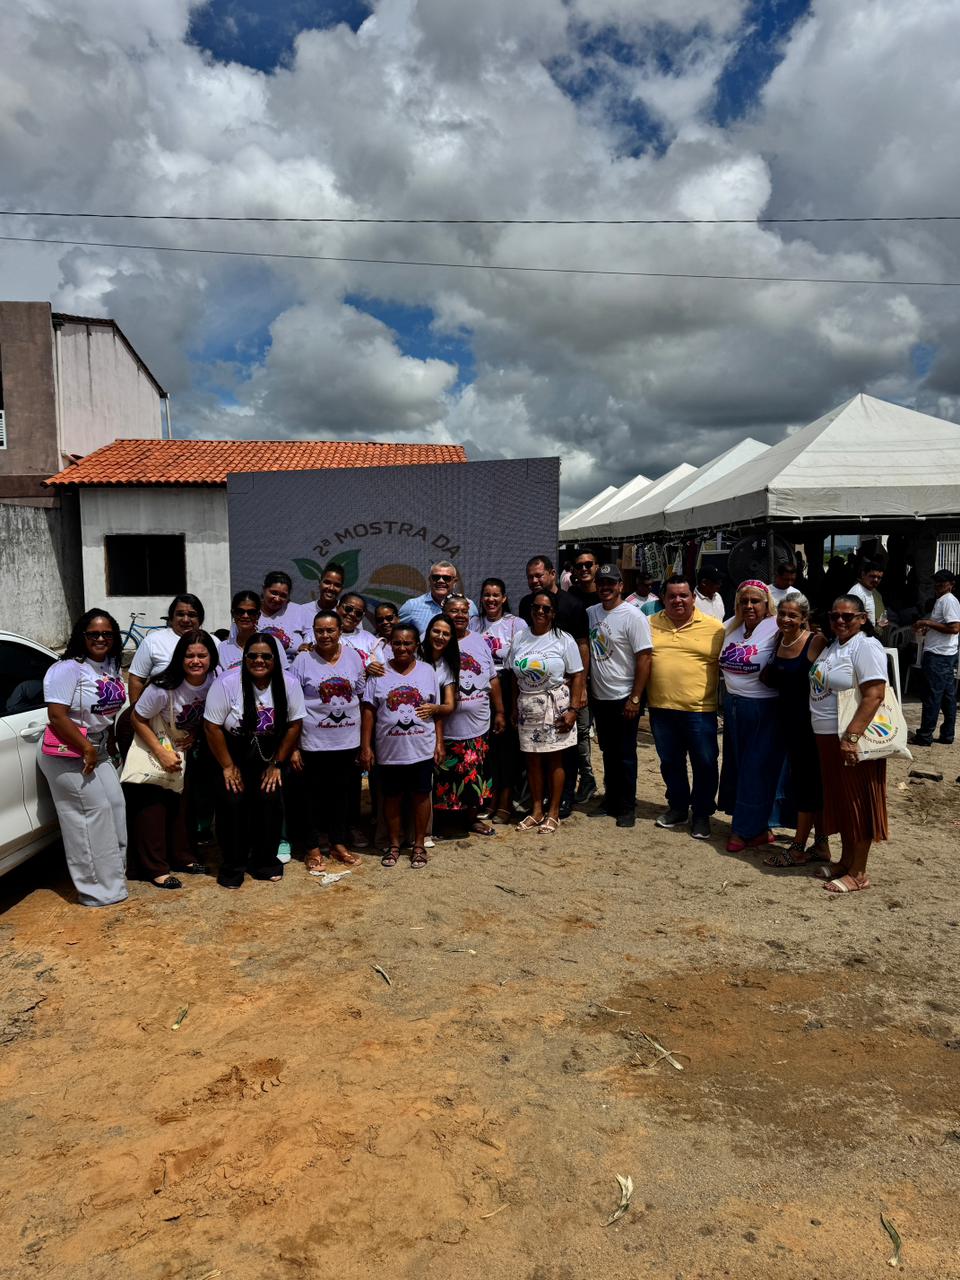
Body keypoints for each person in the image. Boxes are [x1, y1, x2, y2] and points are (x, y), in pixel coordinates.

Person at [38, 609, 128, 907]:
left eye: (107, 634)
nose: (101, 638)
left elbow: (105, 711)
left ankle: (114, 879)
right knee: (89, 818)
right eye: (94, 634)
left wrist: (108, 739)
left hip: (98, 748)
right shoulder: (67, 669)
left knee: (114, 806)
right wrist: (87, 747)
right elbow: (57, 716)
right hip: (70, 750)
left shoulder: (110, 665)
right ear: (82, 636)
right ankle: (95, 890)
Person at [204, 632, 305, 888]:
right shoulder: (227, 683)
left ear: (275, 659)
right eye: (253, 656)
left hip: (270, 755)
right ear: (244, 657)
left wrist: (277, 765)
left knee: (269, 803)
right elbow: (212, 726)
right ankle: (233, 865)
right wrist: (227, 766)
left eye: (266, 656)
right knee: (233, 804)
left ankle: (264, 861)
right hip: (233, 753)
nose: (259, 660)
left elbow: (294, 724)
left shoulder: (289, 683)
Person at [126, 629, 220, 888]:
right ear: (179, 657)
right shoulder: (162, 686)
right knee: (153, 807)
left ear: (212, 657)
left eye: (202, 655)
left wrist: (196, 732)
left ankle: (182, 856)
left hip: (186, 749)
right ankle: (154, 867)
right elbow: (137, 717)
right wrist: (161, 752)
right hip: (158, 746)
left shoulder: (215, 679)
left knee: (182, 806)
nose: (196, 661)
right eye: (189, 655)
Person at [808, 595, 889, 893]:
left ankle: (859, 872)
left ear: (863, 618)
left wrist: (851, 737)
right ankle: (845, 861)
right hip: (826, 735)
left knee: (858, 803)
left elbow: (875, 694)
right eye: (834, 616)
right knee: (841, 801)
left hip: (850, 738)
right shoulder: (833, 646)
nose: (840, 621)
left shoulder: (865, 646)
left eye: (848, 617)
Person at [360, 622, 444, 869]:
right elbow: (369, 712)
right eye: (397, 643)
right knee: (392, 798)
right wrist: (366, 746)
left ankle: (418, 844)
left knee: (420, 796)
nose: (402, 648)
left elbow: (436, 712)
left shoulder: (428, 671)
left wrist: (439, 743)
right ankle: (394, 844)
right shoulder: (379, 673)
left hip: (421, 748)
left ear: (416, 645)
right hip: (389, 751)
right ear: (390, 645)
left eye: (408, 643)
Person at [646, 576, 725, 840]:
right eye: (672, 596)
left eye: (683, 595)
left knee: (704, 762)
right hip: (661, 708)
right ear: (663, 599)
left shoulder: (715, 629)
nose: (678, 600)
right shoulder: (649, 624)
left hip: (699, 710)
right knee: (670, 762)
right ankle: (678, 807)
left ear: (693, 597)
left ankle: (702, 814)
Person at [290, 611, 366, 872]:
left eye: (330, 630)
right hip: (313, 743)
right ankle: (312, 847)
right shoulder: (302, 661)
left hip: (347, 743)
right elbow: (294, 705)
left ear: (339, 632)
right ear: (313, 631)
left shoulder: (354, 657)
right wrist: (294, 748)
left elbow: (360, 693)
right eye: (319, 630)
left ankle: (338, 843)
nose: (325, 635)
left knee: (341, 797)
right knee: (310, 798)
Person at [760, 594, 830, 867]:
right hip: (787, 723)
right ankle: (820, 844)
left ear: (804, 619)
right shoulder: (779, 640)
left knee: (807, 786)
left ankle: (799, 848)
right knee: (809, 785)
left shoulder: (815, 642)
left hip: (810, 725)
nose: (786, 619)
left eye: (792, 615)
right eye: (782, 614)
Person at [508, 590, 585, 834]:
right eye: (536, 607)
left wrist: (574, 709)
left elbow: (578, 674)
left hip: (556, 706)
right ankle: (536, 810)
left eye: (546, 608)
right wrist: (512, 706)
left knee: (555, 759)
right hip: (527, 707)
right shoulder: (520, 637)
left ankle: (553, 812)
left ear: (553, 613)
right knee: (532, 760)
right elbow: (512, 676)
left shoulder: (563, 639)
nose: (540, 612)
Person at [517, 555, 590, 815]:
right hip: (530, 702)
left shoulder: (573, 605)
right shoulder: (526, 604)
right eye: (530, 577)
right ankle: (538, 803)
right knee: (535, 756)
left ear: (552, 573)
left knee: (564, 754)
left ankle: (563, 800)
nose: (535, 581)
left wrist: (579, 695)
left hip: (563, 695)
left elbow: (582, 648)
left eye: (539, 575)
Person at [717, 580, 785, 851]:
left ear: (767, 603)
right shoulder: (733, 626)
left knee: (755, 769)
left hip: (763, 709)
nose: (749, 606)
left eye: (755, 601)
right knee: (736, 767)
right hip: (733, 706)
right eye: (744, 601)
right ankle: (756, 826)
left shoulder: (777, 627)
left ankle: (743, 831)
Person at [586, 565, 653, 828]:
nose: (606, 588)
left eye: (611, 583)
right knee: (607, 751)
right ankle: (610, 799)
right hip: (600, 696)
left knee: (625, 753)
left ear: (620, 586)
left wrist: (636, 698)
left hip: (624, 695)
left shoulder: (633, 616)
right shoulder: (591, 612)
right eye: (601, 583)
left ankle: (627, 806)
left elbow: (645, 658)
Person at [433, 595, 505, 836]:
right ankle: (445, 822)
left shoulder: (479, 641)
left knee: (475, 775)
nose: (460, 615)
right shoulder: (438, 642)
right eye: (454, 611)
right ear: (445, 613)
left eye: (465, 611)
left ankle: (472, 819)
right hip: (448, 727)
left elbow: (493, 678)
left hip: (478, 725)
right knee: (447, 776)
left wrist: (500, 712)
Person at [471, 578, 528, 823]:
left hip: (507, 686)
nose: (491, 600)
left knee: (507, 749)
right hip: (478, 689)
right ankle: (489, 798)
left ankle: (505, 800)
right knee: (488, 750)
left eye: (496, 595)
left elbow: (520, 663)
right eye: (486, 595)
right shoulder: (473, 623)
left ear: (504, 598)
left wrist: (511, 704)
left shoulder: (517, 624)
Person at [909, 569, 960, 746]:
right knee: (946, 696)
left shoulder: (948, 601)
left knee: (932, 696)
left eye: (942, 582)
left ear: (951, 584)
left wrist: (927, 622)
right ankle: (946, 735)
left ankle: (925, 735)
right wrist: (930, 628)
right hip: (943, 653)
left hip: (939, 655)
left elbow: (954, 628)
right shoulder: (944, 600)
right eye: (936, 582)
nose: (938, 586)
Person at [127, 594, 206, 705]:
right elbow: (137, 679)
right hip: (160, 717)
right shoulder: (153, 641)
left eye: (192, 615)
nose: (186, 619)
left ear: (200, 618)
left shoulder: (213, 643)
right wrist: (135, 713)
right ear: (171, 617)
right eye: (180, 614)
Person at [398, 559, 477, 634]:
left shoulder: (469, 605)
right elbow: (395, 633)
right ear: (430, 579)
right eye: (436, 577)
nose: (441, 581)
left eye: (446, 578)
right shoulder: (412, 606)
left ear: (455, 582)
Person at [297, 562, 347, 648]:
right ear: (320, 583)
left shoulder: (347, 611)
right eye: (327, 582)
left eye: (337, 585)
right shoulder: (302, 610)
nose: (331, 588)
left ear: (342, 588)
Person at [256, 570, 302, 659]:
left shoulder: (298, 610)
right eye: (273, 593)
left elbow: (311, 637)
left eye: (283, 595)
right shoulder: (250, 612)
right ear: (263, 589)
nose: (277, 599)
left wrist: (306, 647)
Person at [217, 591, 261, 671]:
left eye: (251, 612)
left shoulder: (271, 643)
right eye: (240, 611)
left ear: (258, 615)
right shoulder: (222, 648)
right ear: (232, 613)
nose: (245, 616)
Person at [849, 560, 888, 631]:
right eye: (873, 576)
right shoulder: (857, 593)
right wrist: (877, 628)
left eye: (879, 578)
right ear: (863, 574)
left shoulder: (870, 590)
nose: (876, 580)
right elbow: (851, 622)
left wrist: (877, 624)